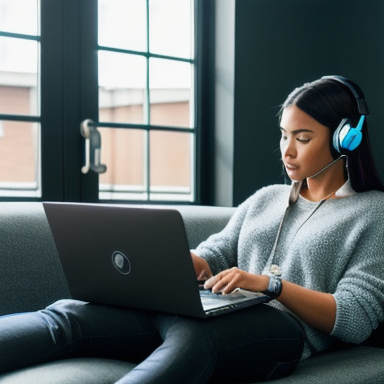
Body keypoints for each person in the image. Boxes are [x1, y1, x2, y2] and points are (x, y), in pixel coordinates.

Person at [1, 76, 384, 384]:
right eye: (284, 135)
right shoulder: (268, 198)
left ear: (345, 138)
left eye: (302, 139)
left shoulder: (373, 213)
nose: (287, 150)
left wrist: (269, 285)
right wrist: (179, 263)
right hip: (210, 311)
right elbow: (215, 253)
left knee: (197, 336)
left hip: (282, 333)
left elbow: (355, 317)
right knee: (73, 315)